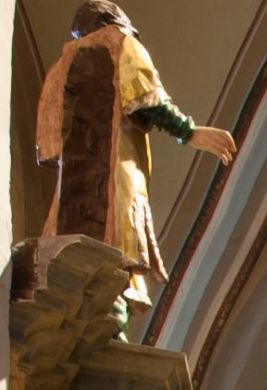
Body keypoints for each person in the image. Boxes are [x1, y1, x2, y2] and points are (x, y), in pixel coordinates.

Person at [34, 0, 240, 308]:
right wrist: (188, 132)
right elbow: (144, 97)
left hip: (73, 189)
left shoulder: (59, 69)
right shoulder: (120, 44)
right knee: (117, 255)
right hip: (118, 172)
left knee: (74, 259)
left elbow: (48, 147)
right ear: (116, 20)